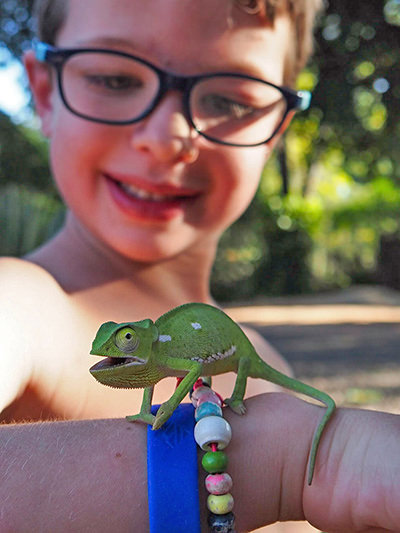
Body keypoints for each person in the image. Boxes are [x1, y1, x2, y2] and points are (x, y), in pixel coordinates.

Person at [2, 1, 400, 531]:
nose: (168, 137)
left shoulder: (264, 352)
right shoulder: (22, 304)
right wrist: (298, 463)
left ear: (277, 128)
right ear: (44, 93)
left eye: (227, 99)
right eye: (115, 78)